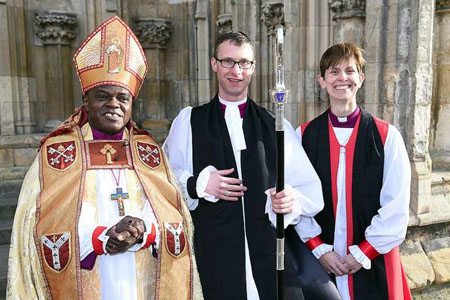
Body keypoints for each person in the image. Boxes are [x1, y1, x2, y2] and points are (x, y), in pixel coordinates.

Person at [7, 16, 202, 300]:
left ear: (132, 103)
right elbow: (42, 224)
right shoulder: (56, 154)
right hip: (86, 278)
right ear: (86, 100)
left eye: (122, 98)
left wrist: (142, 230)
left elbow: (173, 215)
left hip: (143, 276)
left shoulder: (149, 152)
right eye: (102, 96)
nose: (113, 104)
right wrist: (100, 237)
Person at [163, 31, 340, 300]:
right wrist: (198, 184)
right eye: (228, 62)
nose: (237, 71)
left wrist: (289, 200)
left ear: (253, 67)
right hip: (214, 256)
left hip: (268, 255)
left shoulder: (276, 126)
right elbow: (165, 180)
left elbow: (308, 189)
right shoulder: (189, 122)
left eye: (244, 63)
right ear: (214, 64)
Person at [297, 43, 412, 300]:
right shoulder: (303, 136)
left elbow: (397, 206)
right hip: (320, 261)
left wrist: (363, 253)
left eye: (350, 71)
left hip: (373, 260)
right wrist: (319, 249)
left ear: (360, 79)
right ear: (322, 80)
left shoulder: (386, 136)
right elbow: (296, 202)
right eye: (334, 71)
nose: (342, 78)